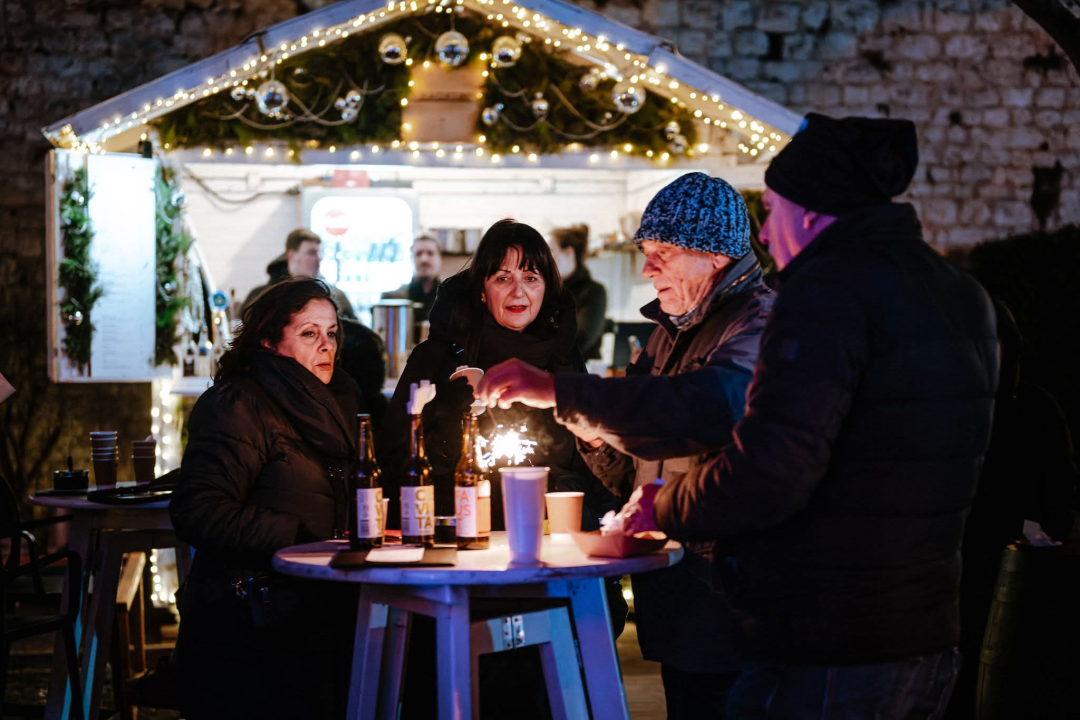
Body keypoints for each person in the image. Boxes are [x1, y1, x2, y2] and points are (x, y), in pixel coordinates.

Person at [620, 114, 999, 717]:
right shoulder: (961, 292)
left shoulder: (823, 297)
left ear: (813, 212)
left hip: (828, 637)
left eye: (772, 210)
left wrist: (661, 507)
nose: (765, 235)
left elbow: (772, 465)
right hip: (928, 626)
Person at [476, 173, 773, 718]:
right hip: (685, 599)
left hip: (738, 601)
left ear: (713, 255)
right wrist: (593, 435)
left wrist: (562, 392)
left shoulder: (756, 326)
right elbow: (636, 473)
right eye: (646, 252)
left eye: (662, 252)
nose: (647, 268)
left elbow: (705, 409)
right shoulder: (672, 329)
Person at [378, 219, 622, 719]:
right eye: (502, 276)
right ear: (481, 287)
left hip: (548, 558)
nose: (518, 289)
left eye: (531, 276)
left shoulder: (564, 358)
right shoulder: (437, 358)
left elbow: (588, 462)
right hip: (459, 560)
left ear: (548, 287)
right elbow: (398, 455)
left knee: (546, 692)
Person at [171, 277, 364, 719]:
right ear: (269, 340)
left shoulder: (341, 400)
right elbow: (198, 508)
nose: (326, 346)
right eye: (309, 333)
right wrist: (297, 538)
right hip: (251, 619)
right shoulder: (240, 404)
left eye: (332, 333)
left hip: (320, 611)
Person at [944, 300, 1078, 720]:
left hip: (1012, 576)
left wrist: (1038, 538)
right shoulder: (945, 413)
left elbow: (1059, 491)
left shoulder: (1033, 410)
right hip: (952, 581)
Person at [242, 228, 357, 319]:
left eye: (319, 253)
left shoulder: (336, 298)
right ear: (292, 256)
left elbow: (356, 342)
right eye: (311, 253)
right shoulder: (260, 297)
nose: (318, 258)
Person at [548, 224, 607, 360]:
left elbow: (580, 340)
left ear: (568, 252)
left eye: (551, 251)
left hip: (580, 374)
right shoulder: (547, 291)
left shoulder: (593, 292)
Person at [381, 232, 443, 342]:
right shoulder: (393, 299)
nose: (424, 259)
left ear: (440, 259)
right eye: (418, 254)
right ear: (411, 259)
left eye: (430, 253)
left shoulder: (453, 299)